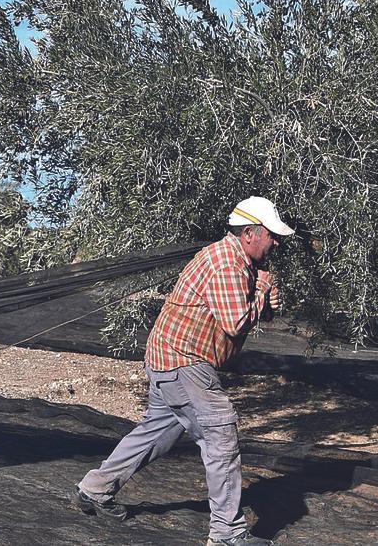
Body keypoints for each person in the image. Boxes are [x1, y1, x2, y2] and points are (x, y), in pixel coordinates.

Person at [72, 196, 292, 546]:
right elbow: (235, 323)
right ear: (250, 233)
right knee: (221, 437)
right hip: (184, 361)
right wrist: (263, 291)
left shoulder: (239, 261)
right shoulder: (227, 264)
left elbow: (241, 312)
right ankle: (226, 535)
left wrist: (265, 302)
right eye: (272, 234)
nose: (276, 242)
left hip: (168, 359)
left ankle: (94, 489)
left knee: (157, 432)